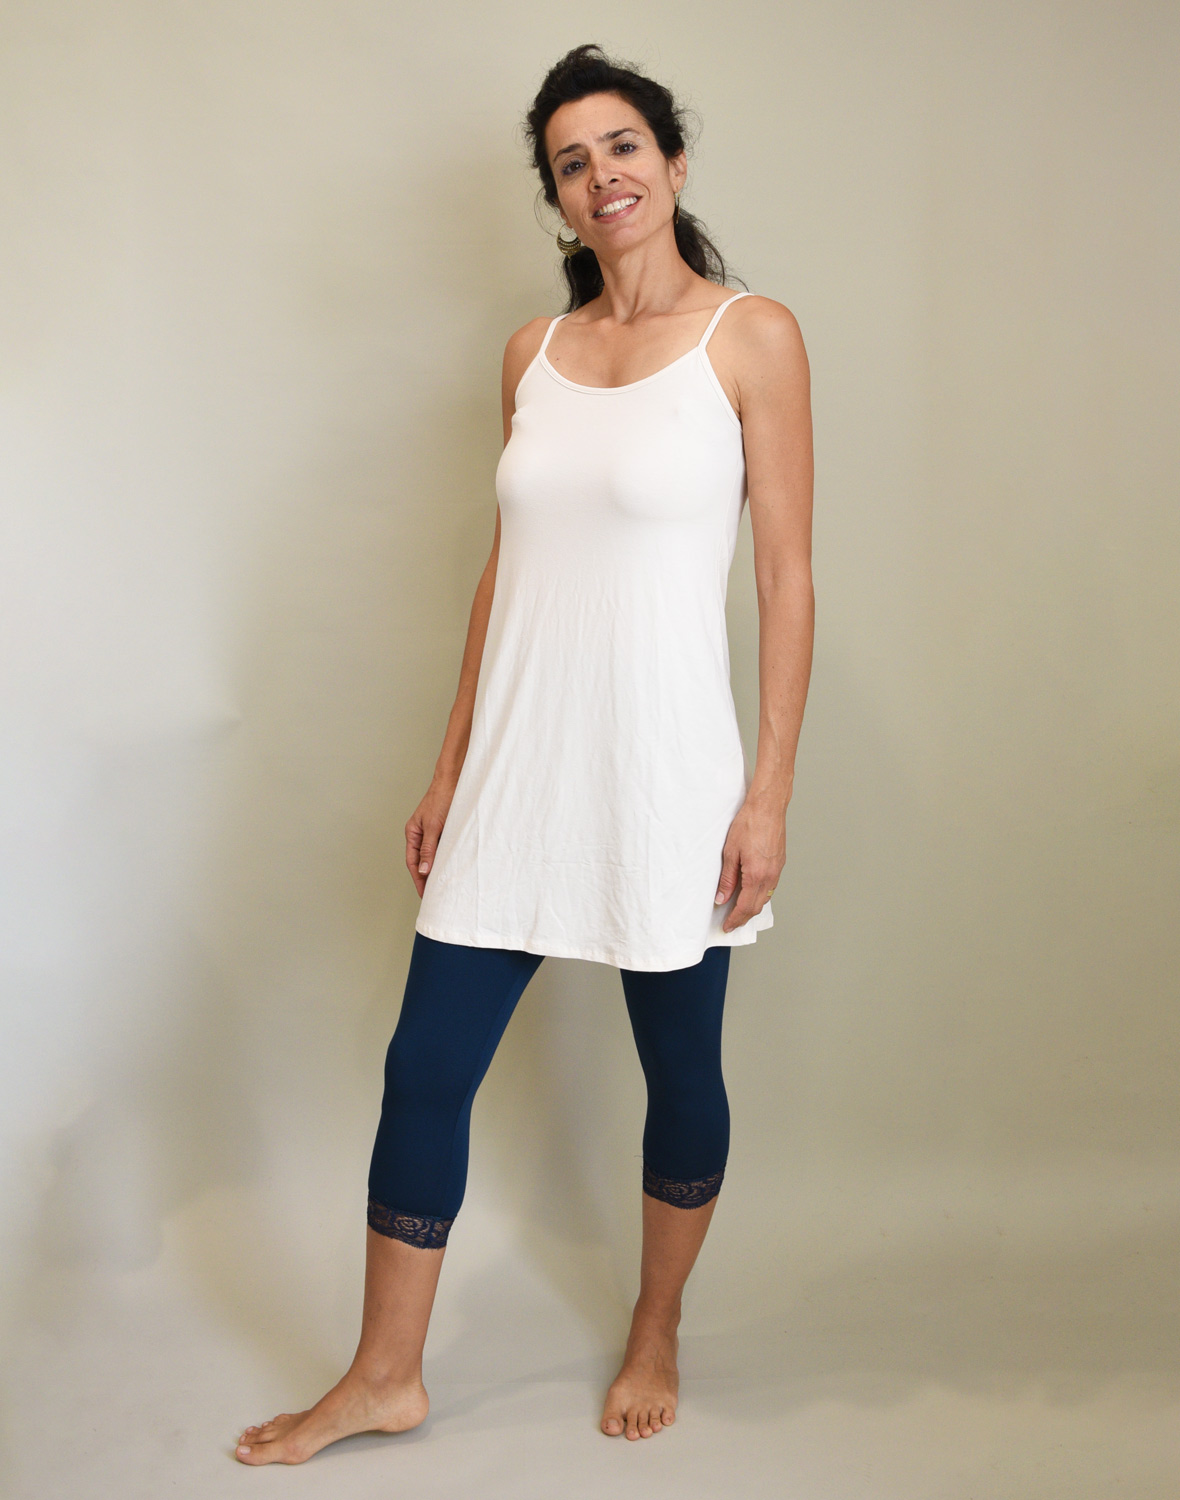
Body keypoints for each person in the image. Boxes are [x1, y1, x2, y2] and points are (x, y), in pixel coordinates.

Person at [235, 41, 813, 1465]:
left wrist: (768, 794)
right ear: (557, 200)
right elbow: (507, 577)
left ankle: (656, 1328)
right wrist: (449, 771)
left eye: (623, 146)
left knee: (680, 1072)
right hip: (519, 767)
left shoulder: (753, 338)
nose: (601, 175)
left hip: (667, 773)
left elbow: (788, 577)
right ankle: (384, 1374)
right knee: (425, 1067)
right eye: (571, 161)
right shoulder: (532, 356)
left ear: (672, 162)